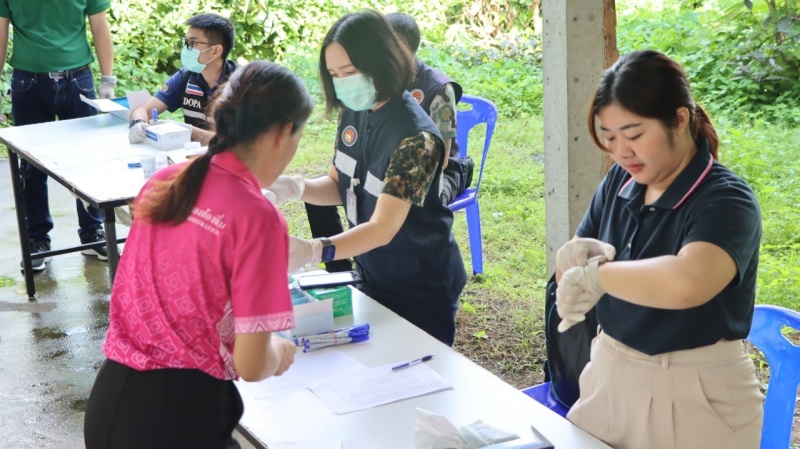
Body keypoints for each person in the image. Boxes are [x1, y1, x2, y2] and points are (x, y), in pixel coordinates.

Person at [84, 60, 309, 448]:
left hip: (110, 400)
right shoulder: (258, 217)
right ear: (283, 132)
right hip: (177, 419)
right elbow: (252, 364)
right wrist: (277, 349)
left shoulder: (166, 180)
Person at [554, 50, 763, 449]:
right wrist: (573, 260)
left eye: (634, 135)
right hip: (609, 371)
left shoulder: (725, 200)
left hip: (694, 393)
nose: (621, 152)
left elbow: (687, 282)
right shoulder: (619, 181)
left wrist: (597, 275)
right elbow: (574, 263)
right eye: (609, 138)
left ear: (679, 120)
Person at [268, 10, 467, 346]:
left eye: (350, 72)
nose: (343, 83)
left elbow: (383, 227)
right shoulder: (355, 110)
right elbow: (339, 184)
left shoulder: (416, 138)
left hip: (420, 282)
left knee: (416, 364)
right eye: (334, 74)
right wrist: (293, 186)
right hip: (372, 270)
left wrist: (315, 250)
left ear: (381, 62)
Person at [0, 0, 116, 270]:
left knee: (86, 160)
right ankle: (37, 238)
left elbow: (100, 26)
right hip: (28, 82)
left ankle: (93, 232)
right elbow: (1, 34)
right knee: (31, 164)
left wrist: (107, 78)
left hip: (77, 79)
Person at [386, 11, 473, 205]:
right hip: (390, 166)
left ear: (403, 49)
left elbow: (441, 160)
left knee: (414, 203)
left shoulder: (439, 89)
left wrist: (397, 178)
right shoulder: (381, 80)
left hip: (440, 173)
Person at [128, 13, 238, 146]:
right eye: (186, 42)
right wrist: (138, 123)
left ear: (215, 51)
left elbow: (237, 142)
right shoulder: (185, 77)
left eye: (193, 43)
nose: (186, 48)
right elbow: (143, 110)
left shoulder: (242, 84)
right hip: (192, 154)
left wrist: (187, 131)